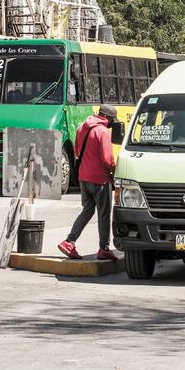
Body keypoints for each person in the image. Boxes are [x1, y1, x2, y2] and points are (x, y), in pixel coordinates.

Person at [58, 104, 119, 260]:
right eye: (112, 120)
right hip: (100, 180)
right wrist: (116, 169)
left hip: (83, 177)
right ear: (106, 117)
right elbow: (107, 159)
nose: (112, 123)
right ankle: (104, 248)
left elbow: (78, 151)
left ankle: (69, 241)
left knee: (87, 210)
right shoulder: (103, 132)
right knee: (104, 214)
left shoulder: (82, 128)